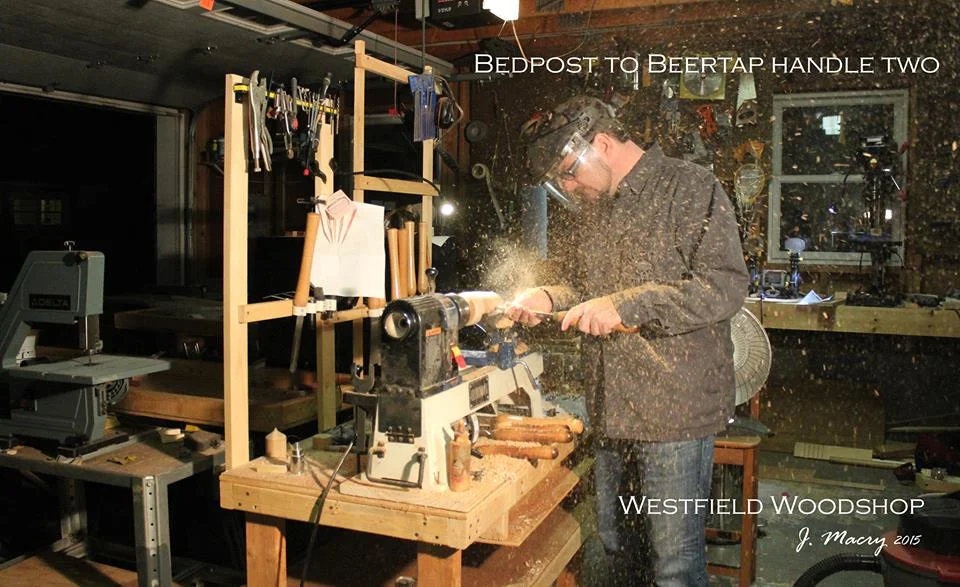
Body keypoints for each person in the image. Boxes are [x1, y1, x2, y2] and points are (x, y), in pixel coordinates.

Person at [507, 95, 748, 586]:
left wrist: (627, 306)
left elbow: (723, 288)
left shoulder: (690, 187)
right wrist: (548, 295)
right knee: (620, 552)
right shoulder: (596, 208)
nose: (568, 187)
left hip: (673, 418)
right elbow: (583, 287)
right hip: (611, 412)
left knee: (674, 568)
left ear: (600, 143)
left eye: (568, 173)